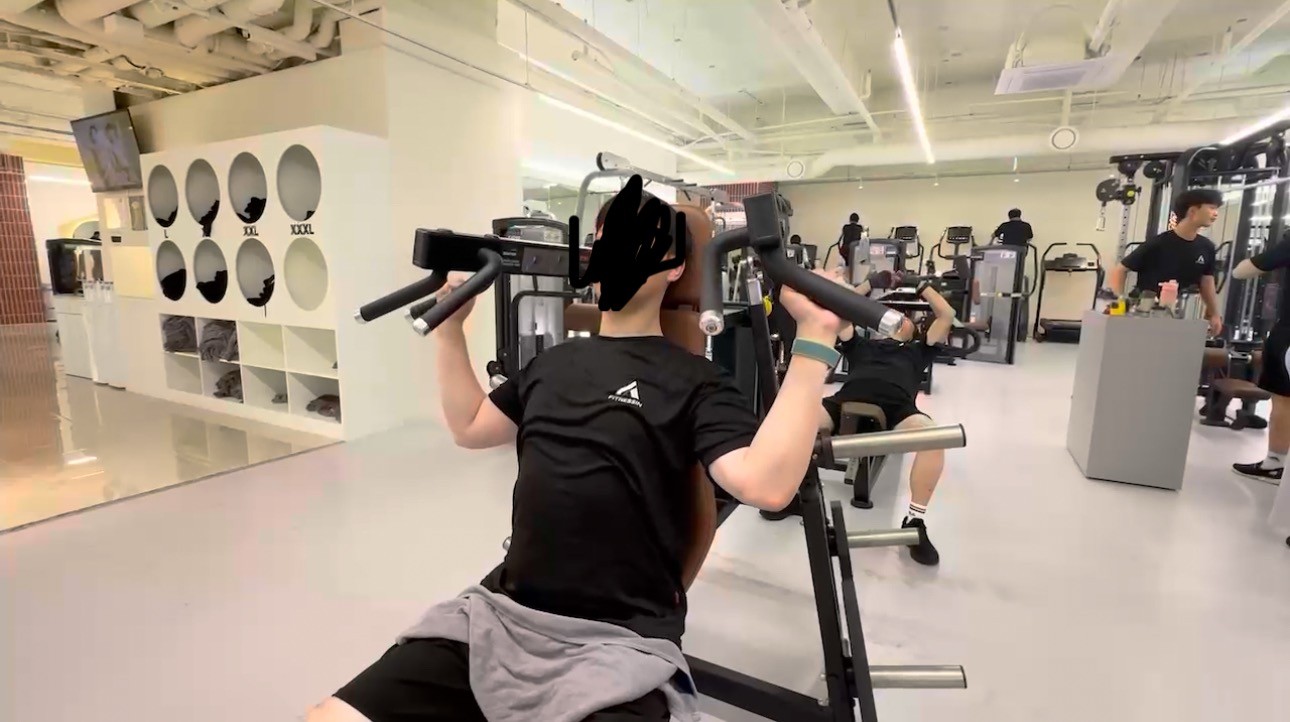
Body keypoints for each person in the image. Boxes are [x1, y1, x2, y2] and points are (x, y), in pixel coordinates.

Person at [307, 186, 848, 722]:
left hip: (618, 645)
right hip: (502, 614)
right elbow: (470, 426)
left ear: (676, 269)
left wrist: (815, 337)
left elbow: (766, 485)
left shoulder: (695, 380)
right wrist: (451, 333)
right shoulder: (552, 364)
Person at [819, 269, 957, 566]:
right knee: (796, 422)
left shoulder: (919, 350)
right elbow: (837, 303)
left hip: (897, 409)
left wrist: (920, 285)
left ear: (913, 330)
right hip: (843, 401)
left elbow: (947, 314)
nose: (897, 319)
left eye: (904, 319)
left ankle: (914, 521)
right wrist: (871, 283)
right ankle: (791, 493)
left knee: (934, 439)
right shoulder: (861, 345)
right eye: (891, 316)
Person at [1107, 188, 1225, 336]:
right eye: (1212, 208)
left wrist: (1214, 314)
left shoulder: (1207, 247)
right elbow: (1120, 270)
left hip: (1177, 314)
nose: (1216, 213)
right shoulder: (1158, 243)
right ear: (1192, 211)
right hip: (1146, 313)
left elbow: (1207, 282)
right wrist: (1118, 302)